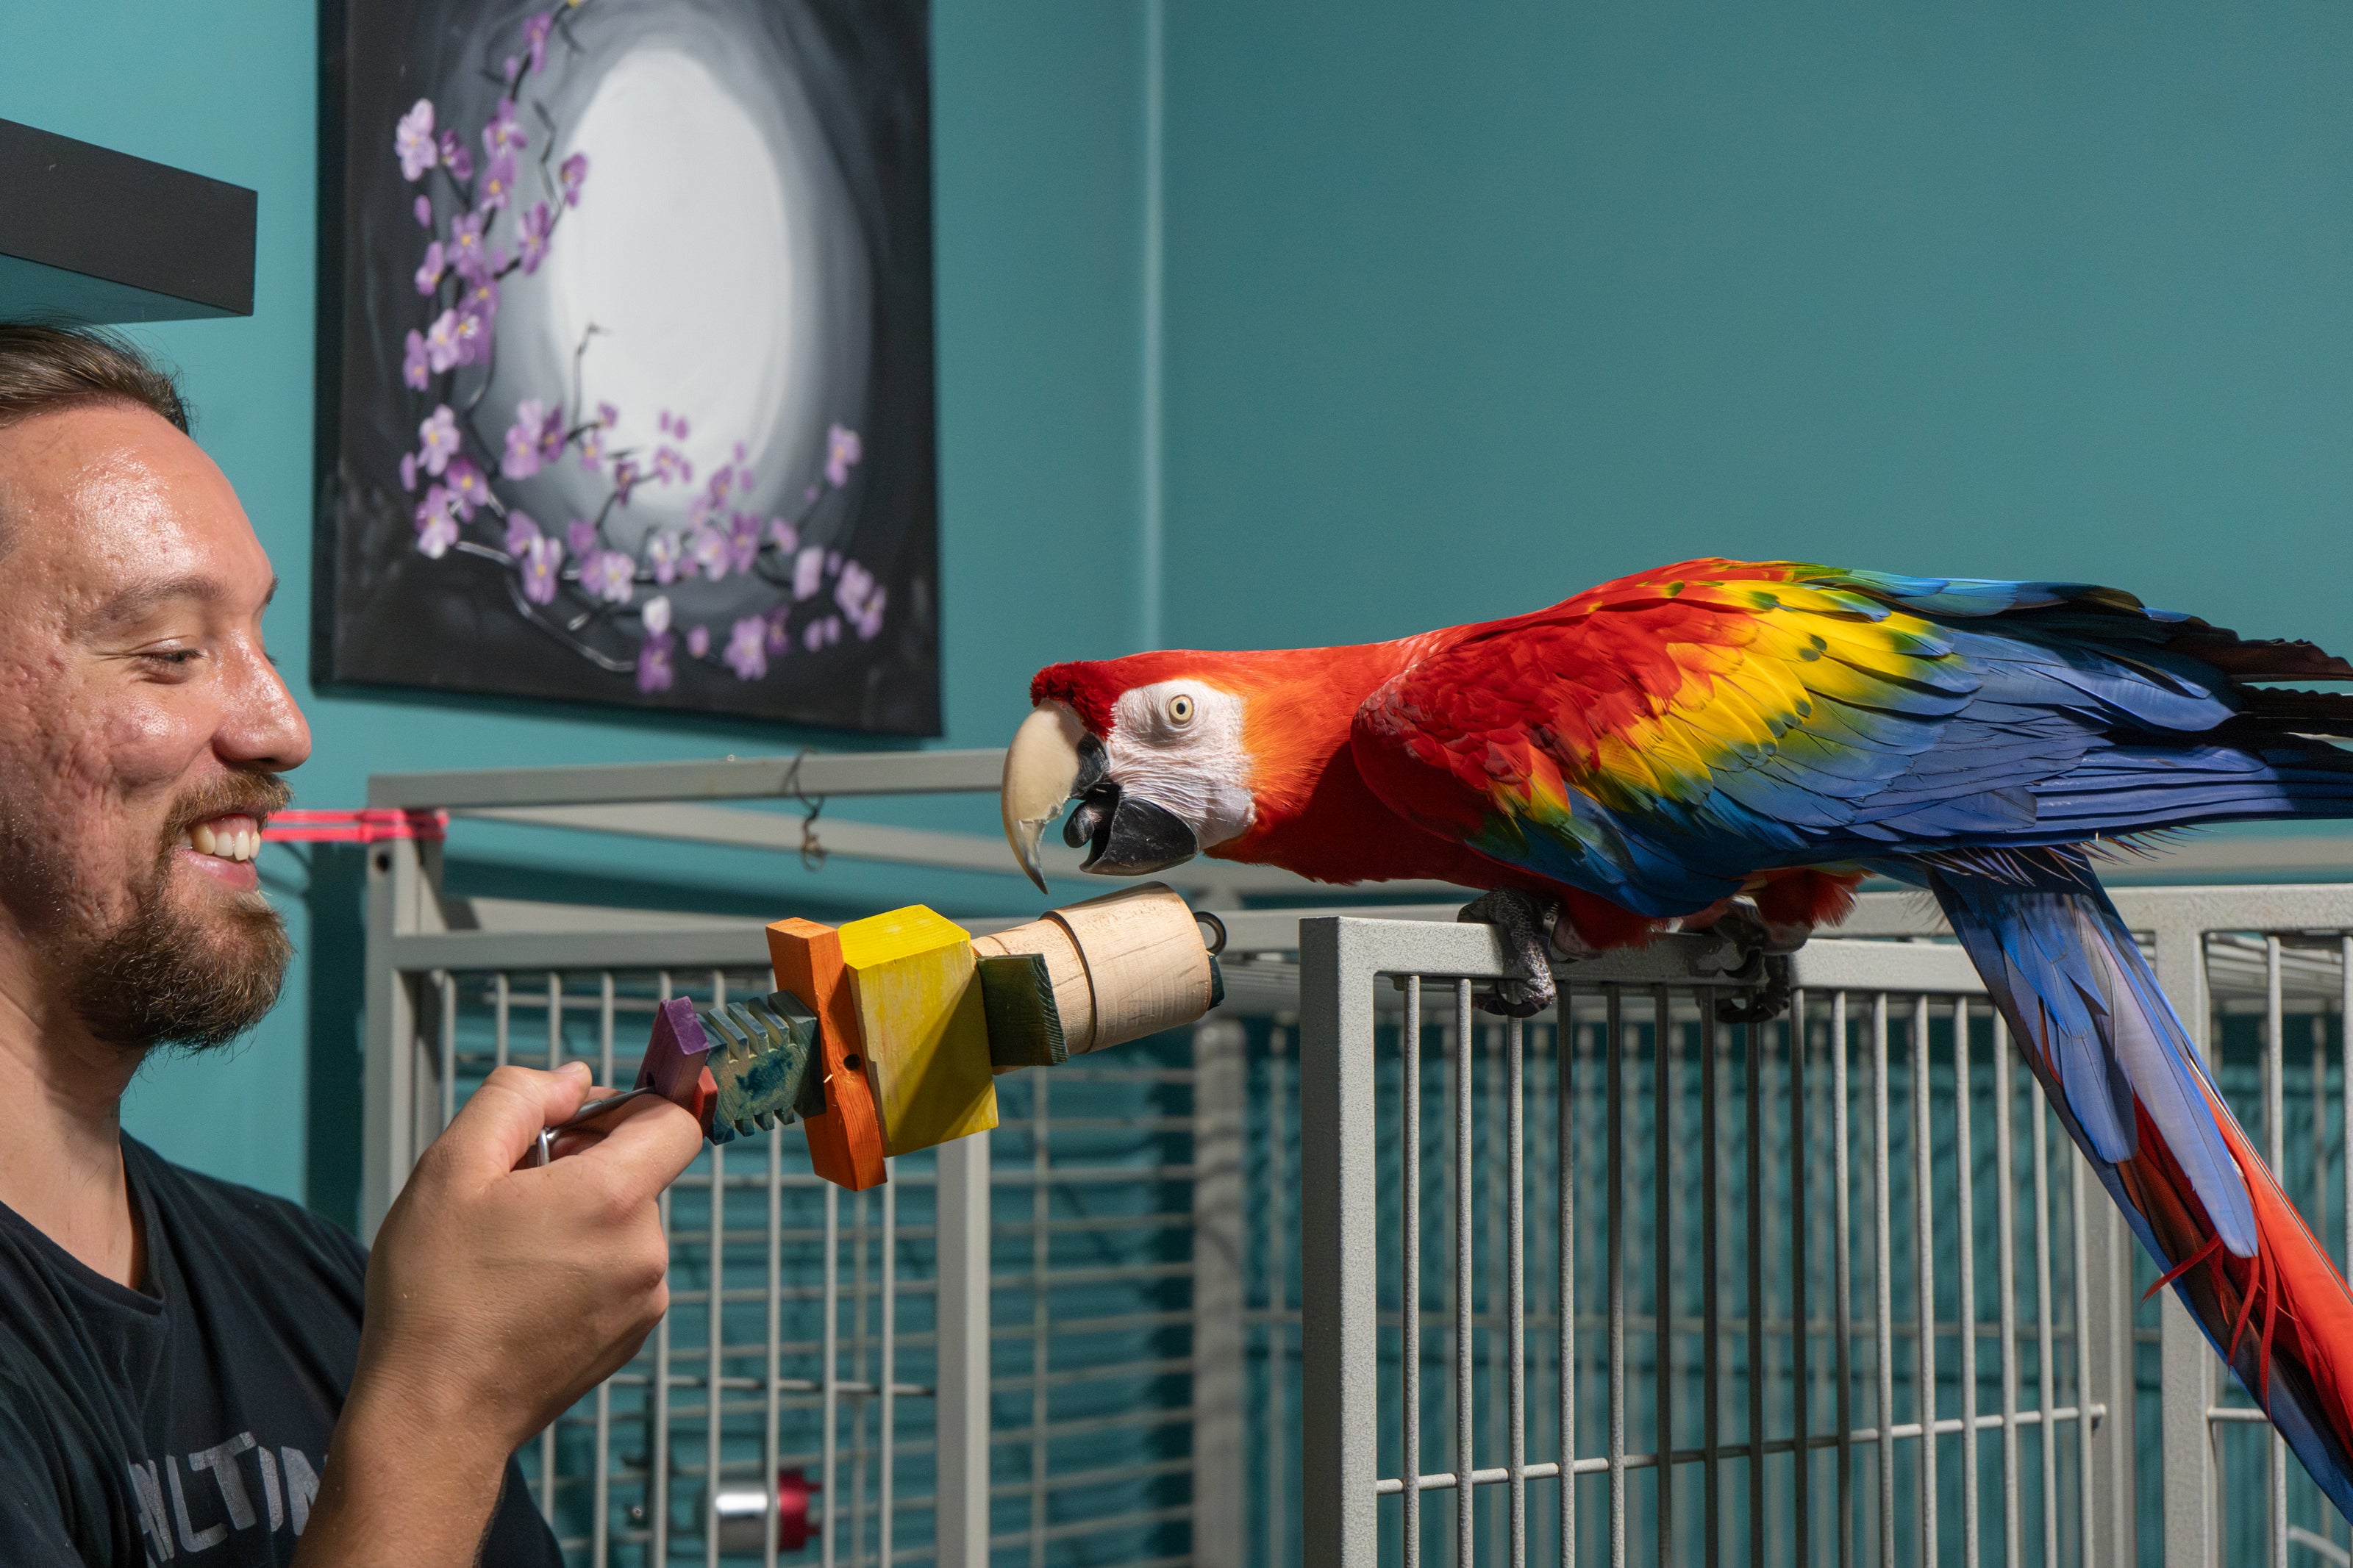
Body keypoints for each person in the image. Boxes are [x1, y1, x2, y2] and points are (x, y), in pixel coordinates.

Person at [0, 322, 704, 1565]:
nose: (283, 727)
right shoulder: (410, 1358)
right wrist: (443, 1410)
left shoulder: (322, 1290)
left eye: (260, 644)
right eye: (172, 653)